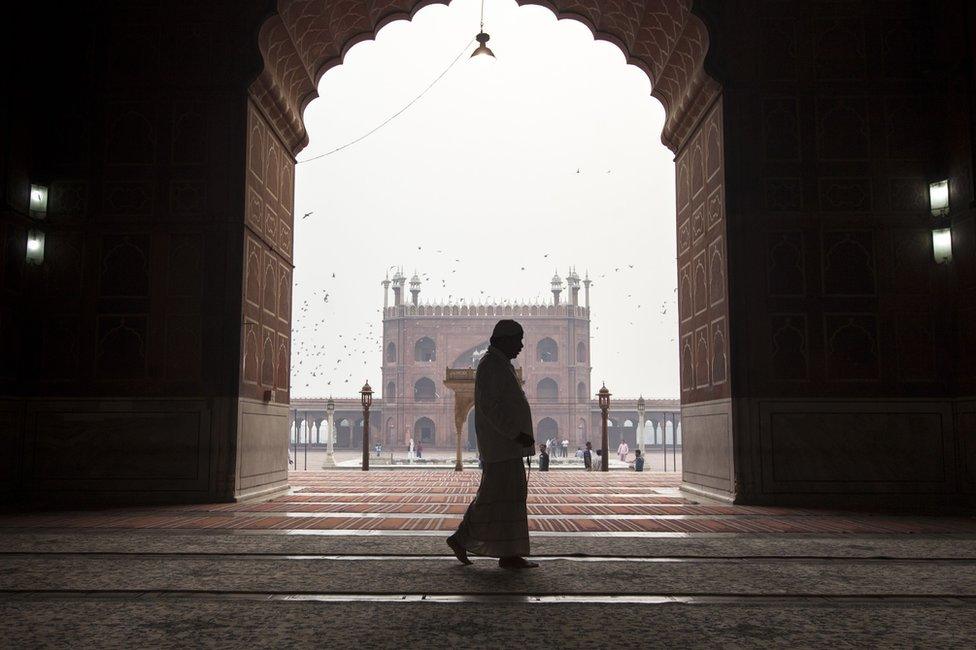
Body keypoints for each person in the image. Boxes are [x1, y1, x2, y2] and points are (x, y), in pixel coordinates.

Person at [447, 319, 538, 570]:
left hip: (507, 448)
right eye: (517, 340)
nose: (521, 346)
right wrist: (515, 434)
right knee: (494, 499)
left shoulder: (500, 364)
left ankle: (508, 553)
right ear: (503, 340)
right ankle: (464, 540)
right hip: (501, 448)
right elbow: (490, 408)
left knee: (507, 499)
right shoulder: (491, 366)